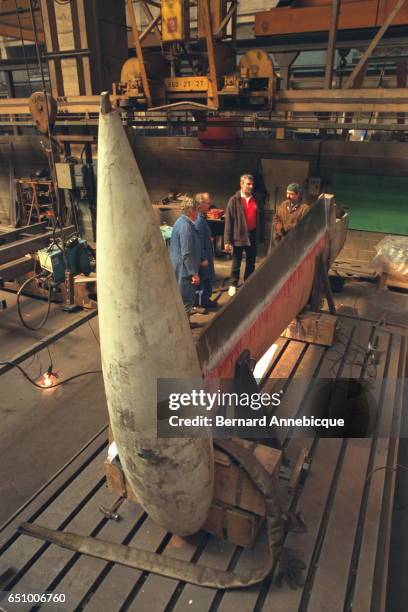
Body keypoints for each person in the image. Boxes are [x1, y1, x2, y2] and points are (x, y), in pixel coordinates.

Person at [224, 174, 259, 297]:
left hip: (253, 234)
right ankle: (233, 284)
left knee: (251, 262)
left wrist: (260, 237)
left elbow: (260, 218)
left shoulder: (256, 199)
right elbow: (228, 221)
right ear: (241, 184)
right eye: (248, 184)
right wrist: (227, 241)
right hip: (239, 234)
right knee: (236, 261)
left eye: (251, 184)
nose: (250, 186)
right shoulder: (234, 200)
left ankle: (247, 284)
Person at [170, 198, 206, 316]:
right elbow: (187, 252)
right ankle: (185, 328)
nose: (198, 213)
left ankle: (186, 324)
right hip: (184, 270)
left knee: (185, 298)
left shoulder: (183, 222)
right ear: (191, 211)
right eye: (197, 210)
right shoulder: (185, 227)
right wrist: (193, 273)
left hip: (182, 267)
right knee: (186, 299)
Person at [194, 192, 217, 309]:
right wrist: (203, 258)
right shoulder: (198, 221)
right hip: (203, 258)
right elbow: (198, 243)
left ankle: (205, 299)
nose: (210, 205)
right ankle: (199, 303)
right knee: (202, 279)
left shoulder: (203, 218)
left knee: (207, 278)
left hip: (207, 255)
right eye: (207, 203)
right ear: (200, 205)